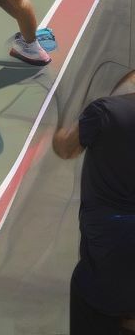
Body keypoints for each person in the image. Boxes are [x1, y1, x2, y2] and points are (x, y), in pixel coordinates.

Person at [52, 69, 135, 334]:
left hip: (110, 237)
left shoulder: (105, 111)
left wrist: (58, 129)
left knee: (93, 301)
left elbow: (66, 149)